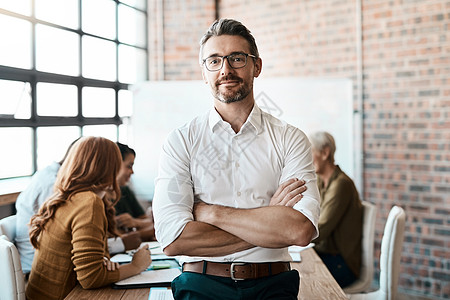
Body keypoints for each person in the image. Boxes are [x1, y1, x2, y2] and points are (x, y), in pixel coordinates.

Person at [152, 18, 321, 299]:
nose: (226, 70)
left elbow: (300, 230)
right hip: (200, 284)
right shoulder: (181, 141)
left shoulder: (290, 139)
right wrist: (268, 217)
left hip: (273, 285)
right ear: (204, 72)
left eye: (237, 58)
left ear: (257, 66)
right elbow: (173, 240)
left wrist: (210, 212)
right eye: (214, 61)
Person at [26, 137, 152, 300]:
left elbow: (89, 268)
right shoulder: (89, 202)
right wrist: (136, 266)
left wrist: (102, 261)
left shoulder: (69, 196)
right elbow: (90, 279)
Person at [15, 138, 79, 274]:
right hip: (36, 268)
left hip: (42, 260)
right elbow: (61, 239)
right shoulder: (53, 184)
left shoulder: (51, 174)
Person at [309, 131, 363, 288]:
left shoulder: (341, 184)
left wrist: (289, 237)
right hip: (325, 255)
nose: (306, 158)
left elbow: (321, 229)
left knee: (297, 280)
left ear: (325, 153)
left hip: (342, 263)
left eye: (310, 152)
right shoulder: (319, 181)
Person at [113, 142, 155, 242]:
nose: (132, 172)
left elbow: (149, 223)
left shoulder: (125, 191)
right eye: (129, 166)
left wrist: (134, 222)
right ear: (116, 164)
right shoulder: (98, 197)